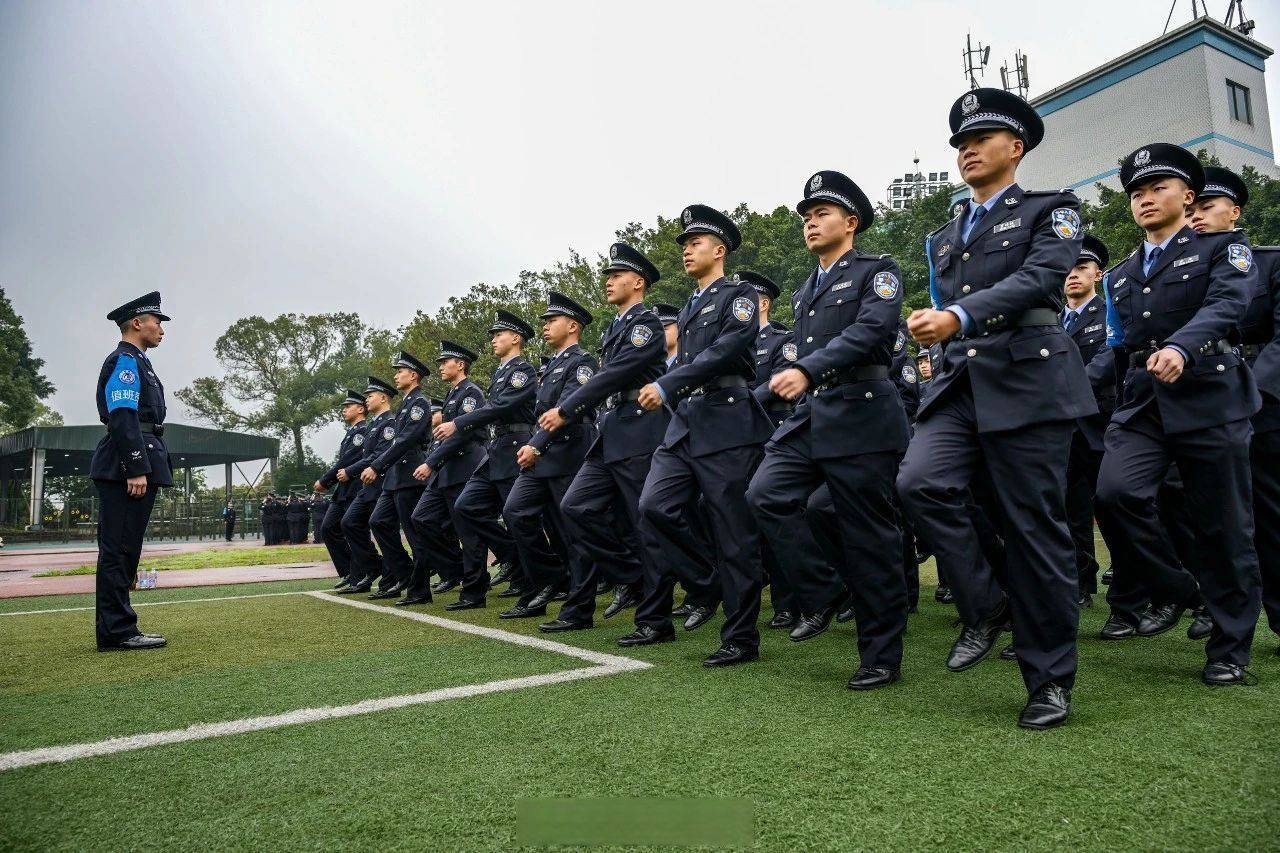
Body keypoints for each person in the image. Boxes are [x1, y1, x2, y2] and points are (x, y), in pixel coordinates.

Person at [897, 89, 1095, 729]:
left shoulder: (1053, 209)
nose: (968, 151)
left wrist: (958, 315)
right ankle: (986, 603)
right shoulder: (944, 235)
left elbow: (1040, 279)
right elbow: (947, 305)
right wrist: (938, 333)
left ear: (1016, 147)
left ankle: (1049, 679)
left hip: (1028, 378)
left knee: (1035, 530)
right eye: (961, 143)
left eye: (981, 140)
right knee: (920, 483)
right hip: (961, 383)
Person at [1094, 144, 1262, 686]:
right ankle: (1179, 590)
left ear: (1188, 198)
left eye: (1157, 188)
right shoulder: (1119, 276)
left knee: (1223, 527)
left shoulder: (1224, 247)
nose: (1145, 199)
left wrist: (1183, 347)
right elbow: (1120, 347)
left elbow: (1227, 305)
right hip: (1144, 402)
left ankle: (1230, 648)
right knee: (1114, 493)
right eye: (1136, 193)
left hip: (1210, 396)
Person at [747, 171, 910, 690]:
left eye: (822, 214)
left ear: (850, 222)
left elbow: (872, 330)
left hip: (863, 412)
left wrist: (807, 369)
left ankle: (881, 655)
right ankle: (825, 589)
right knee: (765, 494)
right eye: (807, 217)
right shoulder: (803, 292)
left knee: (868, 537)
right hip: (815, 412)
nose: (811, 224)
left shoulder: (877, 270)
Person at [634, 204, 775, 667]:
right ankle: (708, 583)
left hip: (727, 420)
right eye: (685, 245)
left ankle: (741, 637)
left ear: (719, 250)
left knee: (734, 535)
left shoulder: (739, 295)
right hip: (687, 423)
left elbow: (727, 349)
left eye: (695, 243)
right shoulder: (690, 305)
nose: (686, 251)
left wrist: (667, 384)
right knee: (654, 507)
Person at [550, 244, 670, 632]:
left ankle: (655, 619)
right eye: (609, 276)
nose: (609, 281)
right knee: (576, 507)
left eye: (617, 276)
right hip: (613, 431)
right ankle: (632, 576)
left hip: (640, 430)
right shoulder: (615, 327)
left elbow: (614, 374)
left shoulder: (645, 324)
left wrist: (566, 409)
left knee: (643, 525)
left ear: (638, 283)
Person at [504, 292, 600, 620]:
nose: (545, 326)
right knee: (515, 512)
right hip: (542, 454)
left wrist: (536, 445)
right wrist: (535, 445)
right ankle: (549, 579)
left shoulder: (582, 362)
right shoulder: (553, 366)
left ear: (572, 326)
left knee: (573, 531)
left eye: (552, 320)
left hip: (568, 452)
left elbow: (568, 409)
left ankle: (579, 609)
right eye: (544, 321)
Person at [435, 311, 538, 610]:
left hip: (515, 447)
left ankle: (531, 591)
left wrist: (459, 423)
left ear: (515, 338)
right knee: (466, 507)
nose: (493, 340)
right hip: (497, 450)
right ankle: (511, 558)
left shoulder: (522, 371)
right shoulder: (501, 373)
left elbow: (501, 406)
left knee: (517, 519)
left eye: (499, 334)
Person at [90, 291, 173, 651]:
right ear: (137, 323)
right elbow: (123, 416)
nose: (161, 330)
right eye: (157, 322)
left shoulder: (138, 361)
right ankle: (118, 631)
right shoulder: (125, 360)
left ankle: (117, 626)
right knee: (119, 549)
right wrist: (135, 467)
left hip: (136, 458)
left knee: (125, 548)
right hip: (128, 464)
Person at [410, 342, 487, 597]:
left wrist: (430, 462)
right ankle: (455, 570)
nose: (441, 367)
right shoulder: (452, 394)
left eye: (445, 362)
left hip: (463, 468)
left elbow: (461, 435)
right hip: (447, 470)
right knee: (421, 518)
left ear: (460, 364)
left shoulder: (471, 393)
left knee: (468, 532)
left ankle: (474, 589)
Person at [1061, 234, 1112, 607]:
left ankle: (1133, 587)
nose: (1073, 275)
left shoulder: (1109, 312)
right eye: (1067, 269)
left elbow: (1107, 362)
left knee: (1112, 505)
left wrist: (1061, 391)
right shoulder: (1051, 320)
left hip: (1101, 423)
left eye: (1082, 267)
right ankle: (1080, 584)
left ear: (1098, 274)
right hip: (1063, 429)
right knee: (1070, 509)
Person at [363, 351, 435, 601]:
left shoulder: (419, 403)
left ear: (413, 375)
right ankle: (405, 573)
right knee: (378, 522)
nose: (395, 376)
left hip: (409, 475)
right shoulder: (406, 403)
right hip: (395, 477)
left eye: (400, 371)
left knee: (415, 535)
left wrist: (377, 466)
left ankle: (420, 590)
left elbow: (405, 440)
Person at [335, 377, 397, 594]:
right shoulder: (373, 425)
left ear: (383, 398)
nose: (367, 399)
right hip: (367, 485)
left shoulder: (389, 423)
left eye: (370, 396)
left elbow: (379, 454)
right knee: (349, 523)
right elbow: (367, 456)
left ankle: (390, 580)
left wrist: (350, 470)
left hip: (381, 483)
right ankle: (374, 566)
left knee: (383, 530)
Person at [315, 389, 369, 587]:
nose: (344, 410)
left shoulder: (362, 431)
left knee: (354, 529)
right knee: (328, 528)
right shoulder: (352, 432)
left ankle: (361, 574)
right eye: (344, 407)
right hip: (343, 491)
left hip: (356, 488)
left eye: (348, 406)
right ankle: (349, 572)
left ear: (361, 409)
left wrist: (325, 481)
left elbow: (348, 460)